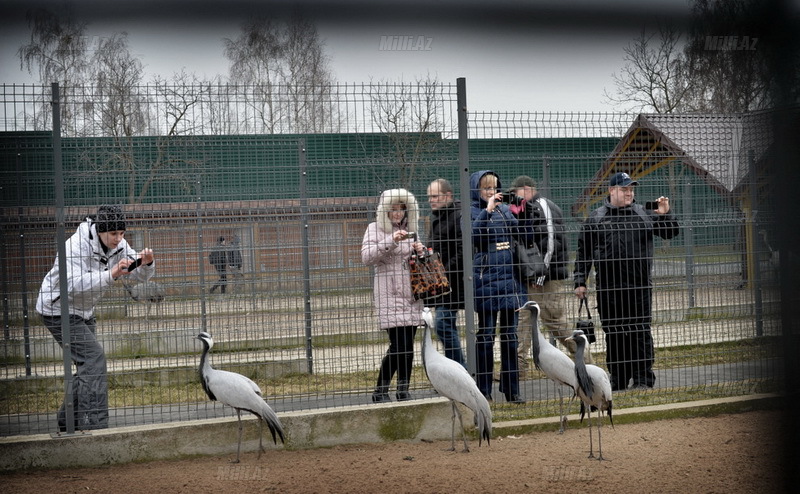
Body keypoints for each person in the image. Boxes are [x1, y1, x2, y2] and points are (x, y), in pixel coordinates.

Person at [36, 205, 156, 431]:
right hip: (57, 308)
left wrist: (146, 263)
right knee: (93, 359)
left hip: (84, 311)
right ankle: (96, 425)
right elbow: (70, 283)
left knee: (87, 365)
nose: (119, 239)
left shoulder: (120, 244)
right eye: (113, 234)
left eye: (122, 233)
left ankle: (66, 421)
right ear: (101, 231)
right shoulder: (75, 245)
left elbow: (137, 273)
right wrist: (110, 274)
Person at [574, 172, 679, 391]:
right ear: (612, 191)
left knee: (640, 331)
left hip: (639, 287)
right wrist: (580, 282)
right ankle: (618, 378)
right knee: (614, 332)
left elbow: (670, 232)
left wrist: (666, 214)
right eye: (624, 189)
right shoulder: (596, 217)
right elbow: (584, 253)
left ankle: (642, 378)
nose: (630, 192)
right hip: (609, 289)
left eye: (632, 189)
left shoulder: (644, 213)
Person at [508, 175, 592, 380]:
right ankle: (518, 370)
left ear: (526, 189)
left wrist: (540, 274)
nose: (513, 198)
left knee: (555, 322)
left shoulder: (543, 206)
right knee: (524, 322)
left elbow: (552, 241)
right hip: (530, 278)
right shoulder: (526, 208)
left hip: (545, 279)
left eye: (515, 193)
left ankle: (586, 363)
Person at [361, 188, 427, 403]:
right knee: (397, 345)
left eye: (401, 209)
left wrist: (421, 251)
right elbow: (367, 257)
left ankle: (403, 389)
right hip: (389, 293)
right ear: (385, 210)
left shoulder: (411, 229)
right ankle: (381, 389)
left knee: (408, 346)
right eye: (393, 209)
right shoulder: (375, 228)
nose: (397, 214)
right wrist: (391, 240)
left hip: (411, 293)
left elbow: (420, 261)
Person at [470, 170, 527, 404]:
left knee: (510, 337)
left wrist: (523, 211)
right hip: (486, 278)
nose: (491, 193)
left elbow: (521, 233)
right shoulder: (473, 211)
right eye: (486, 189)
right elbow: (473, 236)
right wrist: (488, 210)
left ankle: (511, 389)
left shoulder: (505, 210)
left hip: (509, 279)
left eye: (494, 188)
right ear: (477, 190)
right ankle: (483, 390)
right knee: (485, 337)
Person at [426, 178, 467, 368]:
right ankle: (457, 370)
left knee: (443, 324)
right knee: (445, 326)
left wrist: (444, 272)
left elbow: (463, 249)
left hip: (454, 281)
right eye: (429, 197)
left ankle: (461, 370)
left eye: (435, 196)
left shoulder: (458, 216)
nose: (431, 200)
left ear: (448, 195)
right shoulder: (438, 218)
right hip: (441, 284)